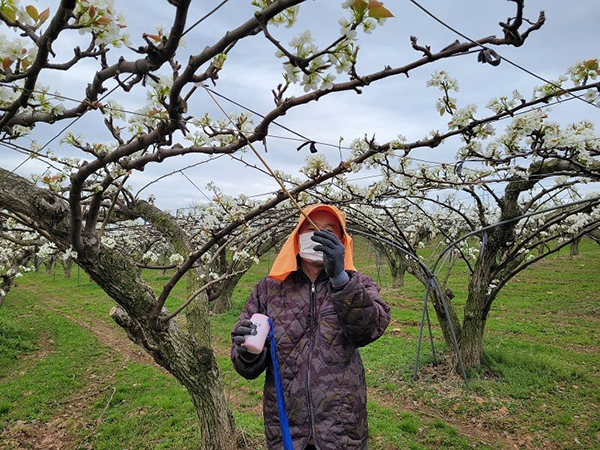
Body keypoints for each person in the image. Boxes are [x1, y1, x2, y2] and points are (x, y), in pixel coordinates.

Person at [231, 204, 390, 450]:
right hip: (287, 423)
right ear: (297, 236)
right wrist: (246, 352)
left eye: (329, 231)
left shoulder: (358, 284)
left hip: (342, 423)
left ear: (340, 242)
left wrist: (340, 279)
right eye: (311, 228)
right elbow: (247, 367)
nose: (319, 234)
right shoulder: (269, 288)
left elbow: (368, 330)